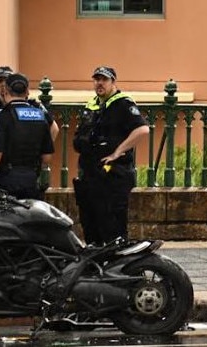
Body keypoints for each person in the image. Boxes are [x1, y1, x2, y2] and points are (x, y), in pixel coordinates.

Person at [72, 66, 149, 245]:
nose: (99, 83)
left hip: (113, 175)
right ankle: (96, 264)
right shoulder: (93, 104)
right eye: (96, 79)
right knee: (91, 224)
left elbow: (142, 130)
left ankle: (118, 266)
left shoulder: (123, 104)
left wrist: (117, 152)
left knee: (112, 224)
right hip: (91, 174)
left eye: (104, 80)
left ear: (113, 82)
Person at [0, 66, 59, 189]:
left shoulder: (32, 107)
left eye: (6, 80)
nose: (2, 84)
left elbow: (54, 129)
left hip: (7, 171)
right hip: (5, 170)